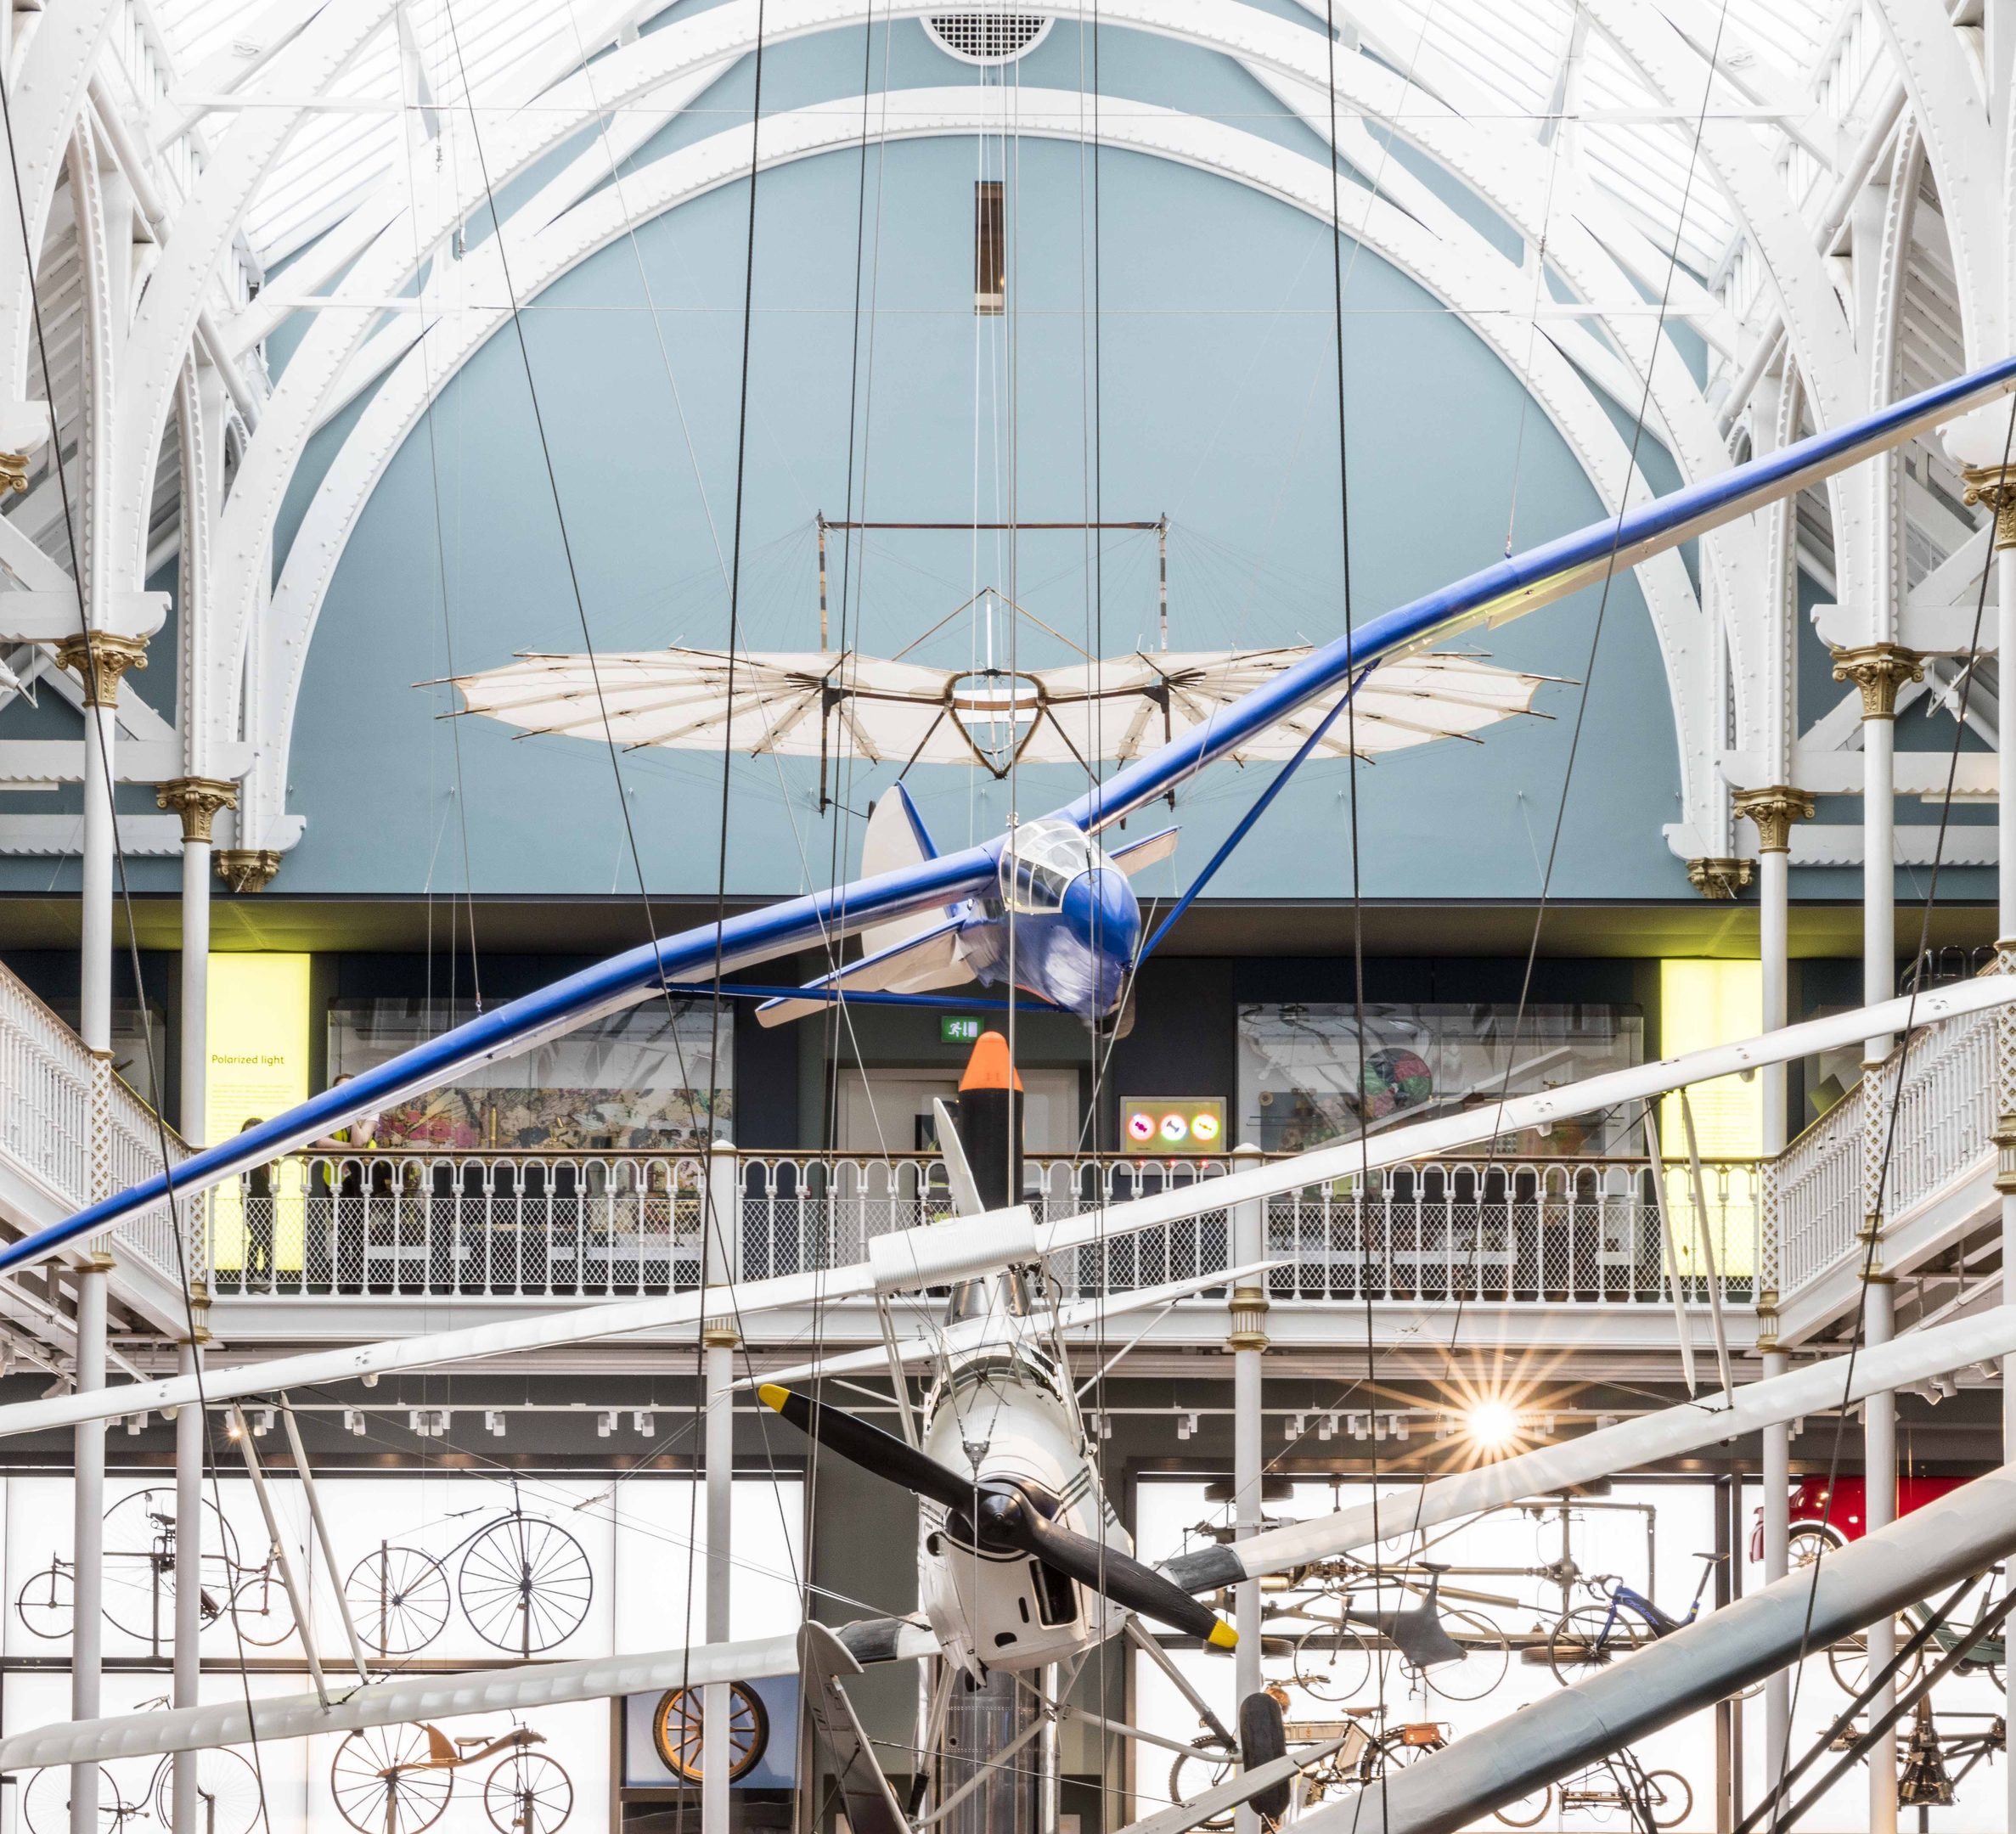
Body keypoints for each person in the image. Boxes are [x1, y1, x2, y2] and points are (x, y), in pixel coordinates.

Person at [313, 1074, 381, 1292]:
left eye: (350, 1088)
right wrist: (350, 1150)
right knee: (341, 1227)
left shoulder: (371, 1109)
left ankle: (359, 1276)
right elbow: (321, 1142)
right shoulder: (327, 1111)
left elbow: (361, 1140)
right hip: (334, 1176)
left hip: (363, 1174)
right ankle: (342, 1276)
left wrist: (352, 1116)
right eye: (341, 1089)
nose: (345, 1092)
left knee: (360, 1226)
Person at [239, 1118, 275, 1291]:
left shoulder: (268, 1151)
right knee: (259, 1235)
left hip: (268, 1199)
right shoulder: (242, 1154)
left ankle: (268, 1275)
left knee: (268, 1237)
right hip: (250, 1200)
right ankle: (252, 1273)